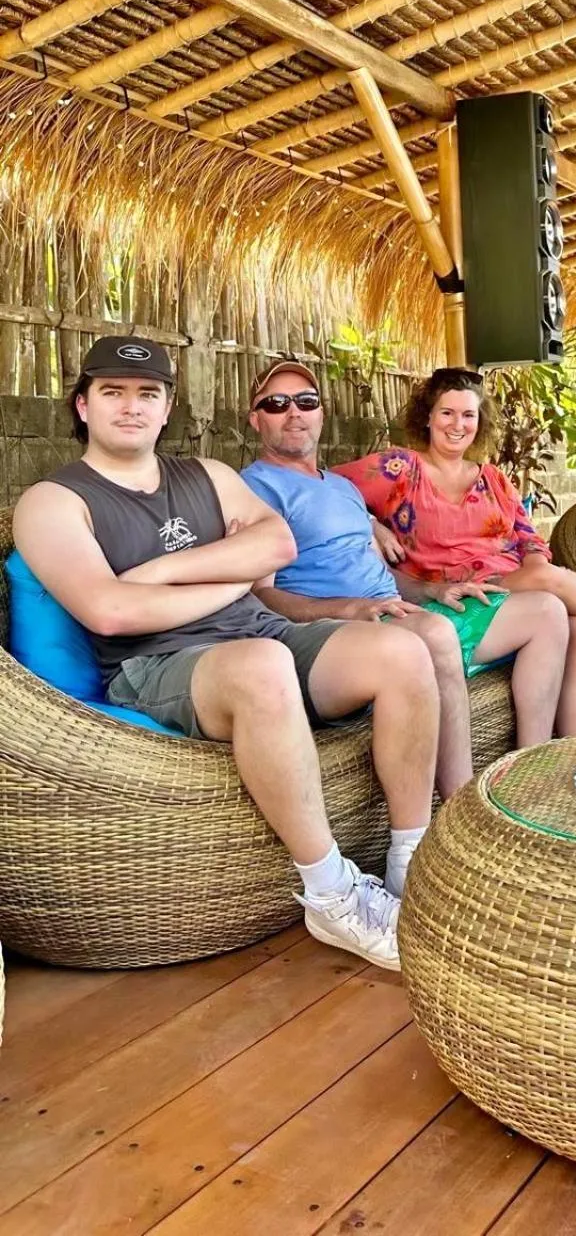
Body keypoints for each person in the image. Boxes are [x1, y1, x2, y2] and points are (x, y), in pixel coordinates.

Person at [13, 336, 442, 972]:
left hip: (262, 630)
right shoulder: (53, 501)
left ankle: (410, 859)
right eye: (112, 393)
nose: (131, 407)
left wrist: (158, 574)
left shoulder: (208, 476)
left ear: (166, 409)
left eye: (147, 395)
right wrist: (229, 575)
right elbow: (109, 611)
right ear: (82, 406)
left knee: (403, 651)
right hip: (158, 663)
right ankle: (332, 895)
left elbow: (278, 546)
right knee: (260, 664)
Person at [336, 369, 576, 732]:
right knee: (565, 605)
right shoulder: (399, 468)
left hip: (512, 584)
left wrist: (537, 569)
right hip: (455, 593)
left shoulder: (491, 477)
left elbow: (529, 539)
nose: (458, 425)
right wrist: (370, 523)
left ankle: (568, 754)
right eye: (447, 413)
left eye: (468, 415)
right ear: (427, 416)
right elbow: (325, 486)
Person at [240, 361, 571, 784]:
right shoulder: (254, 488)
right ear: (255, 418)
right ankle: (461, 801)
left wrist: (432, 589)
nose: (294, 413)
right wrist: (348, 608)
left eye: (306, 401)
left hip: (397, 610)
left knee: (548, 610)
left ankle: (528, 773)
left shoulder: (341, 488)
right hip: (334, 629)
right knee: (435, 632)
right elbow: (259, 595)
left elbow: (382, 574)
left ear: (321, 413)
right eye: (276, 404)